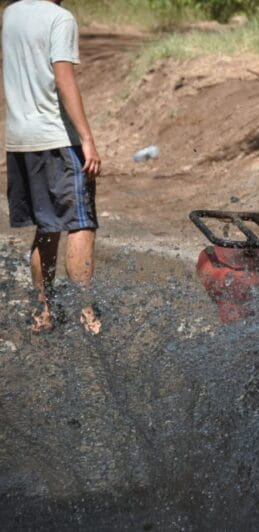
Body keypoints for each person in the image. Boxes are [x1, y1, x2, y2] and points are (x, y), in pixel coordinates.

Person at [3, 0, 102, 334]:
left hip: (19, 139)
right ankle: (86, 313)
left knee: (47, 225)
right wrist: (86, 137)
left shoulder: (11, 13)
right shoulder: (60, 18)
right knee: (81, 222)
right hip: (56, 138)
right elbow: (63, 78)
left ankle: (42, 311)